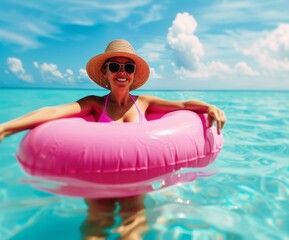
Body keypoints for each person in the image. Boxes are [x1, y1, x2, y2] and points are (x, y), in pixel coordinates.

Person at [0, 39, 226, 238]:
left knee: (133, 219)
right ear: (106, 72)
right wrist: (6, 128)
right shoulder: (95, 104)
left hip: (135, 181)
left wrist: (209, 107)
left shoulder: (144, 102)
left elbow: (183, 105)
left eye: (128, 67)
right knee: (98, 221)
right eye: (115, 66)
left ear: (133, 74)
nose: (122, 72)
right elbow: (52, 112)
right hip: (98, 182)